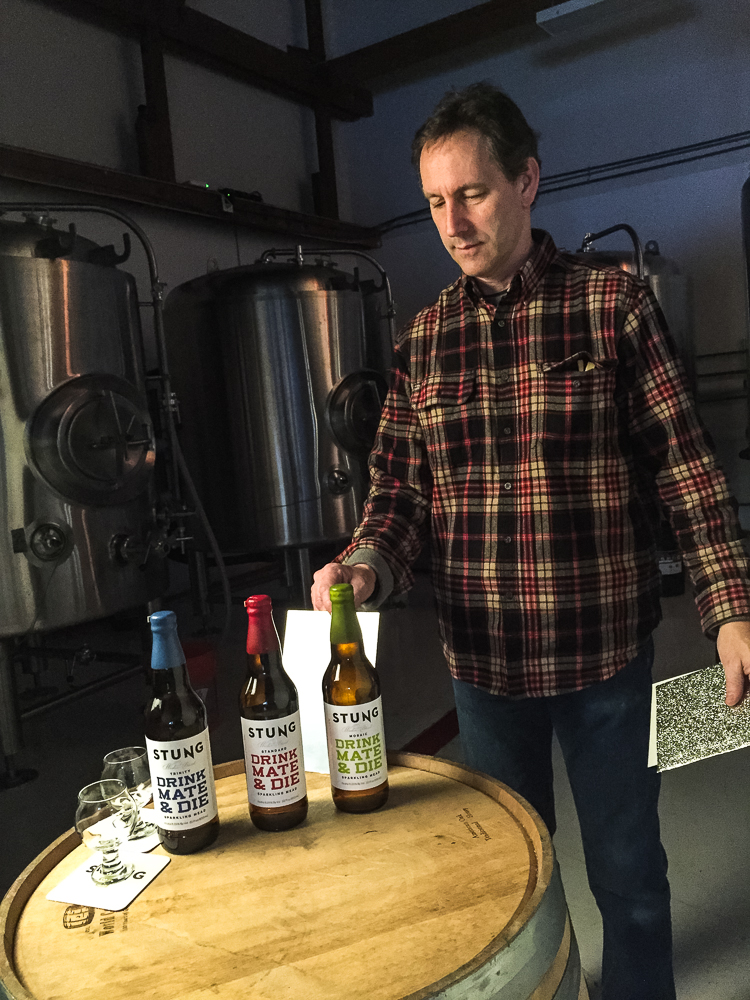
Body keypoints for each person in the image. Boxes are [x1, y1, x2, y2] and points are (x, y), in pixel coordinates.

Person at [311, 82, 750, 999]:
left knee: (629, 875)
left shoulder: (612, 306)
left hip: (603, 661)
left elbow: (685, 467)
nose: (453, 221)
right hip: (484, 670)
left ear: (527, 182)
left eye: (470, 193)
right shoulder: (424, 344)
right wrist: (364, 561)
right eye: (435, 201)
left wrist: (730, 611)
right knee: (513, 878)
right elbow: (399, 494)